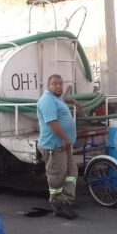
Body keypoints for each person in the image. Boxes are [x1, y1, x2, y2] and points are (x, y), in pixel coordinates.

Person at [37, 74, 80, 220]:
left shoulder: (57, 97)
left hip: (64, 146)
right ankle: (57, 205)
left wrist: (73, 100)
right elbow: (52, 122)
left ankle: (65, 201)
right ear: (48, 86)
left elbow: (63, 97)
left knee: (71, 172)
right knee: (57, 177)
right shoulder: (47, 100)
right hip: (54, 146)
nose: (58, 86)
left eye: (60, 84)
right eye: (54, 84)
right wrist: (64, 138)